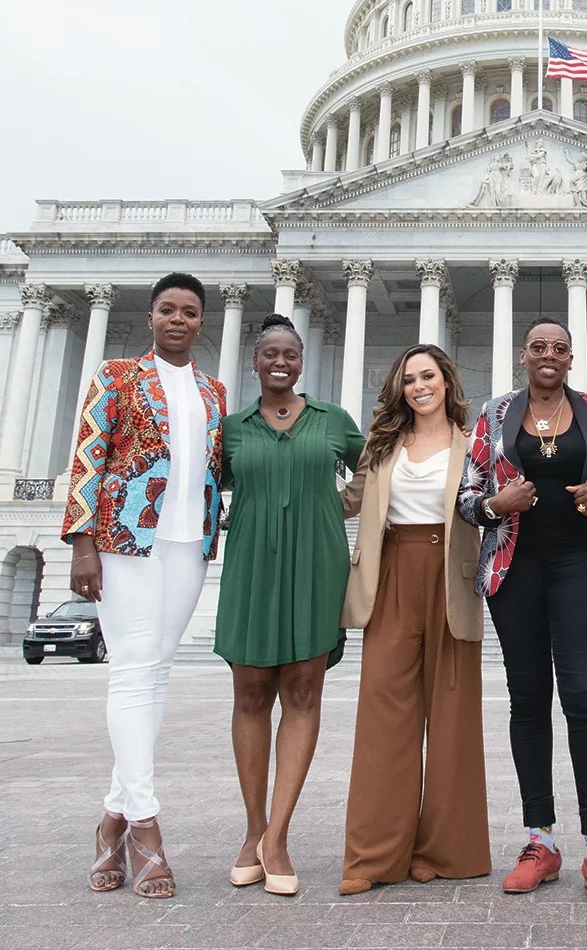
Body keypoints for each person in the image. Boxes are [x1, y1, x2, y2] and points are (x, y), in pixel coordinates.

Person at [61, 272, 227, 899]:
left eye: (189, 311)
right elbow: (89, 453)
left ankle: (111, 819)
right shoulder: (116, 376)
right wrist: (82, 541)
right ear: (152, 317)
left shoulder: (212, 390)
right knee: (132, 669)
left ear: (201, 321)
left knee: (155, 672)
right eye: (167, 310)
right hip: (124, 540)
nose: (178, 319)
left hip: (188, 544)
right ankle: (146, 827)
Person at [457, 317, 587, 906]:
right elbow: (466, 497)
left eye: (559, 348)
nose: (548, 356)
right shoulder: (494, 414)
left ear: (572, 358)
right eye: (538, 348)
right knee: (528, 699)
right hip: (515, 567)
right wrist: (493, 505)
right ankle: (539, 840)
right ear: (523, 356)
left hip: (580, 564)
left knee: (584, 698)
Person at [214, 314, 363, 896]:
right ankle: (253, 831)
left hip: (316, 565)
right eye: (270, 353)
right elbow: (206, 488)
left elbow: (375, 467)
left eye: (291, 354)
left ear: (302, 363)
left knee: (303, 691)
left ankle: (277, 837)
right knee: (251, 693)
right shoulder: (231, 428)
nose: (281, 362)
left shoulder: (332, 421)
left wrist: (342, 509)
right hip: (251, 564)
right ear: (255, 362)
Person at [338, 344, 490, 894]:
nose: (419, 386)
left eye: (428, 376)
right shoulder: (381, 447)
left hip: (451, 577)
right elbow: (348, 502)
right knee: (384, 717)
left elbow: (492, 508)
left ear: (447, 381)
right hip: (391, 573)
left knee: (453, 717)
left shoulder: (475, 446)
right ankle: (374, 857)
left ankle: (446, 852)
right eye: (408, 380)